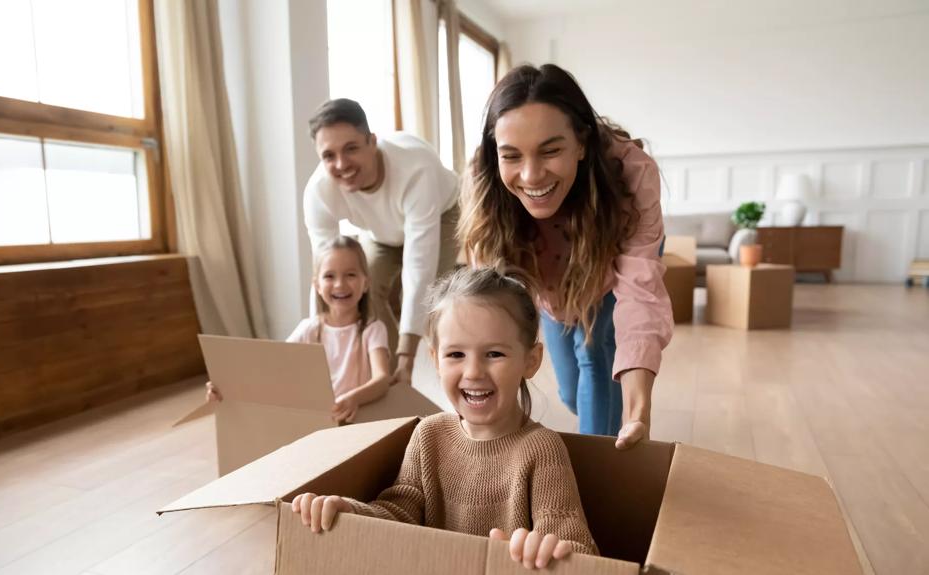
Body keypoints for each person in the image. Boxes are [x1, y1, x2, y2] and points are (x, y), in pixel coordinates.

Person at [291, 266, 599, 570]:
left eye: (494, 354)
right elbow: (400, 513)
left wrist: (549, 551)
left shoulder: (542, 450)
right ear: (435, 360)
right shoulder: (428, 436)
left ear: (530, 361)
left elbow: (578, 546)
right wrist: (351, 512)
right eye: (456, 355)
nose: (474, 372)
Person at [458, 64, 673, 449]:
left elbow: (640, 296)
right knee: (572, 393)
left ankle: (599, 472)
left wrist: (638, 412)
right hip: (549, 287)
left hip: (610, 274)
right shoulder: (484, 178)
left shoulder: (632, 173)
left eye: (551, 151)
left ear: (582, 143)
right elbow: (486, 298)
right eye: (512, 156)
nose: (531, 175)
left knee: (595, 358)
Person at [303, 98, 459, 386]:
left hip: (442, 213)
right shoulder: (318, 192)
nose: (341, 164)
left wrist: (408, 355)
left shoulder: (415, 168)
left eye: (351, 148)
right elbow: (323, 273)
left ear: (372, 142)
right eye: (329, 156)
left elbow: (418, 265)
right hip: (380, 232)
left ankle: (446, 370)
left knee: (433, 300)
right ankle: (383, 373)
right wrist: (317, 344)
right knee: (363, 285)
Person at [207, 236, 392, 424]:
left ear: (366, 283)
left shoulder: (373, 329)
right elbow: (271, 365)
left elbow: (383, 379)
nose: (339, 284)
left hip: (358, 423)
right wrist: (226, 388)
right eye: (329, 276)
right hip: (315, 423)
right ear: (317, 286)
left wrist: (354, 399)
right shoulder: (308, 329)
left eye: (350, 275)